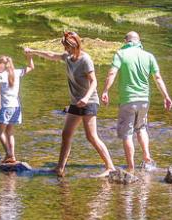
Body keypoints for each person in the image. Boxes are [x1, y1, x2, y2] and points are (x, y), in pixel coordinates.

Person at [24, 31, 115, 177]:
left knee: (91, 136)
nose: (66, 50)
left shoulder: (86, 59)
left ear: (75, 46)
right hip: (75, 102)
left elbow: (94, 82)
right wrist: (34, 52)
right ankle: (59, 168)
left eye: (68, 47)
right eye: (65, 47)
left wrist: (85, 98)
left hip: (89, 102)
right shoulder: (67, 57)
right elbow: (52, 55)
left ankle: (110, 167)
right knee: (66, 134)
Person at [100, 31, 172, 174]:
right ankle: (146, 157)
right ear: (139, 41)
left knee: (127, 134)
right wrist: (166, 96)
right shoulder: (149, 56)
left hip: (128, 100)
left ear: (126, 41)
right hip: (144, 100)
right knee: (141, 128)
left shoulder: (120, 54)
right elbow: (157, 78)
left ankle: (131, 167)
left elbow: (112, 73)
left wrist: (105, 91)